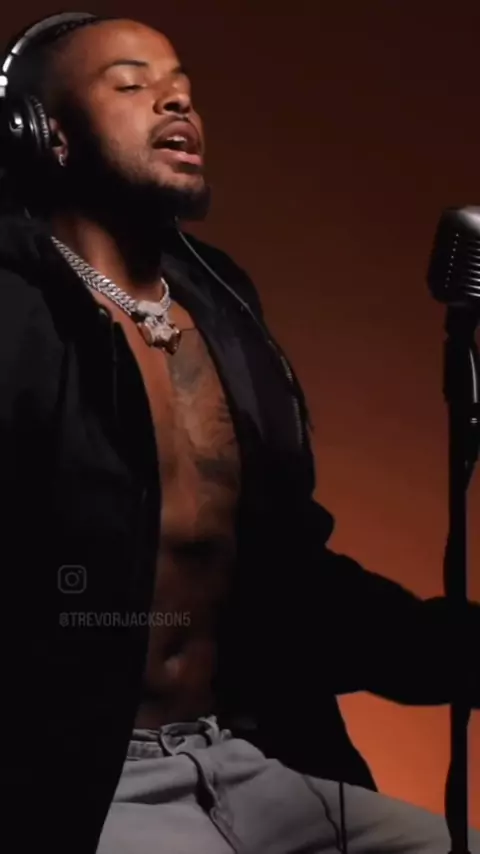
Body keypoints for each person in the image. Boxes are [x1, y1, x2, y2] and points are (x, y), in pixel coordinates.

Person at [0, 10, 478, 854]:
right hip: (75, 793)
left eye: (181, 86)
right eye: (131, 85)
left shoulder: (221, 306)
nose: (175, 100)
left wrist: (455, 647)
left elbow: (288, 579)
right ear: (45, 133)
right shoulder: (12, 314)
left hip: (243, 761)